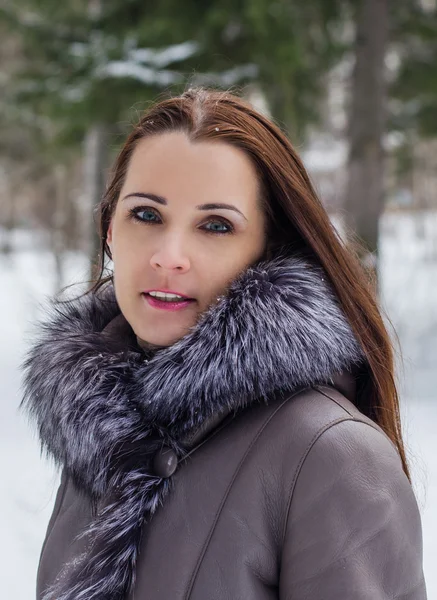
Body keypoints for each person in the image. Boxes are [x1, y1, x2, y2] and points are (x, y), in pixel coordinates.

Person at [21, 87, 427, 600]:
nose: (170, 256)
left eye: (215, 226)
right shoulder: (100, 428)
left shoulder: (329, 454)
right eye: (146, 215)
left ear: (266, 248)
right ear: (108, 230)